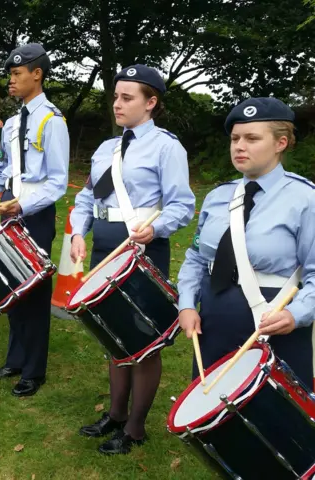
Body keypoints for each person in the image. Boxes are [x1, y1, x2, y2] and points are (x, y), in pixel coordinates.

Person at [69, 64, 195, 454]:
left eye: (127, 97)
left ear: (151, 102)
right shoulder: (108, 148)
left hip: (143, 249)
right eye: (116, 96)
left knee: (144, 340)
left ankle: (136, 427)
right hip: (106, 248)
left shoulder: (166, 147)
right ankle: (117, 413)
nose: (117, 104)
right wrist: (76, 231)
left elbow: (182, 205)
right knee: (114, 333)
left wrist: (155, 230)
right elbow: (88, 197)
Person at [177, 97, 314, 390]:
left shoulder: (305, 200)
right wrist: (187, 304)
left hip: (275, 328)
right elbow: (197, 258)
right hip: (212, 324)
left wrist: (296, 314)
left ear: (281, 143)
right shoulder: (218, 197)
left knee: (276, 421)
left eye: (252, 138)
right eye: (235, 138)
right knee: (212, 411)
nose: (239, 146)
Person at [0, 44, 70, 396]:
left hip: (33, 213)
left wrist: (22, 205)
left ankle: (34, 370)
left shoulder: (52, 120)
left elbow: (58, 181)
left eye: (17, 74)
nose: (11, 81)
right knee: (10, 283)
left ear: (37, 74)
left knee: (33, 292)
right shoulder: (14, 123)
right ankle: (15, 358)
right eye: (10, 75)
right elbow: (0, 165)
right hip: (6, 207)